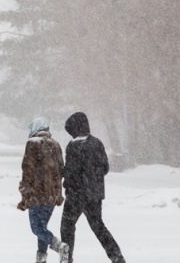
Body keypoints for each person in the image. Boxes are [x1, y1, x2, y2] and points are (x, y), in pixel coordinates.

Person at [60, 112, 126, 263]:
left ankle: (66, 258)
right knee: (99, 227)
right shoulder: (97, 143)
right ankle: (116, 257)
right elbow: (105, 168)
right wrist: (93, 181)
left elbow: (71, 172)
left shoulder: (72, 146)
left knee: (67, 227)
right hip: (94, 196)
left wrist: (64, 176)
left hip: (76, 195)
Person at [17, 117, 66, 263]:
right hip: (51, 196)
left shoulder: (32, 144)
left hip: (36, 194)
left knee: (36, 228)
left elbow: (28, 170)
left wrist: (24, 190)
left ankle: (59, 246)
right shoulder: (56, 145)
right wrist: (56, 192)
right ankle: (41, 258)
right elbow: (60, 170)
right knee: (42, 227)